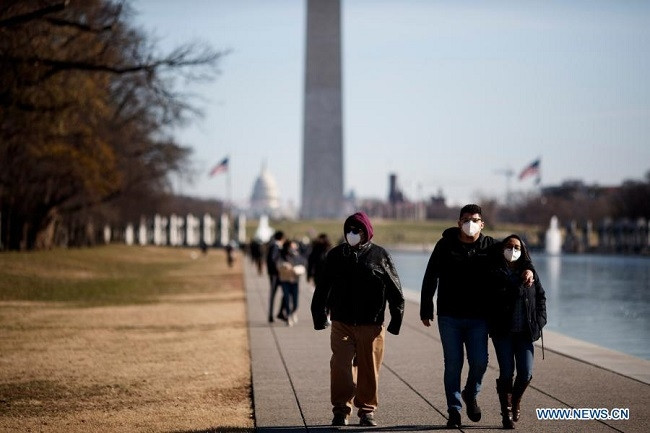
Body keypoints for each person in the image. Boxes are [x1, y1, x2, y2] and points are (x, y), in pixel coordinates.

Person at [420, 204, 533, 428]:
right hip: (449, 316)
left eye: (474, 220)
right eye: (465, 219)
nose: (470, 224)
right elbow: (431, 275)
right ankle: (454, 411)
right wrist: (426, 308)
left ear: (482, 224)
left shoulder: (491, 246)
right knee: (453, 363)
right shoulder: (445, 245)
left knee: (480, 362)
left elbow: (517, 253)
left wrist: (528, 268)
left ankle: (470, 393)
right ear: (458, 222)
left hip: (479, 317)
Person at [311, 212, 405, 427]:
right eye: (349, 230)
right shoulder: (335, 255)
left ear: (367, 233)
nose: (352, 234)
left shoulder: (380, 255)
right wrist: (319, 316)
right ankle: (341, 409)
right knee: (340, 365)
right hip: (341, 321)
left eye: (358, 230)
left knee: (369, 368)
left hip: (371, 323)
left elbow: (395, 290)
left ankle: (367, 410)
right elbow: (323, 286)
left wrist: (396, 320)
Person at [488, 234, 547, 429]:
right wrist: (518, 282)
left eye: (517, 248)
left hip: (525, 334)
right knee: (506, 373)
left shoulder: (530, 272)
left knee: (526, 373)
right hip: (503, 332)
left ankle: (515, 401)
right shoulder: (495, 272)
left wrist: (539, 323)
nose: (512, 251)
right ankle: (506, 413)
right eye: (509, 246)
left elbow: (541, 298)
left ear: (523, 252)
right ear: (502, 248)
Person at [277, 239, 306, 326]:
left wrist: (298, 268)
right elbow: (278, 265)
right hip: (285, 280)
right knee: (286, 298)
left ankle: (294, 312)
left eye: (294, 246)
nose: (293, 248)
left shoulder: (298, 256)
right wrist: (284, 265)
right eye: (292, 246)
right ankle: (288, 316)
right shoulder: (282, 255)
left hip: (295, 281)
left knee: (295, 301)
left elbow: (303, 263)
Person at [266, 230, 286, 322]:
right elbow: (273, 260)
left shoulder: (275, 246)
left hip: (275, 274)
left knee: (283, 293)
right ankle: (274, 314)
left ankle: (277, 313)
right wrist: (279, 268)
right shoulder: (275, 246)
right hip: (275, 274)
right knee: (276, 294)